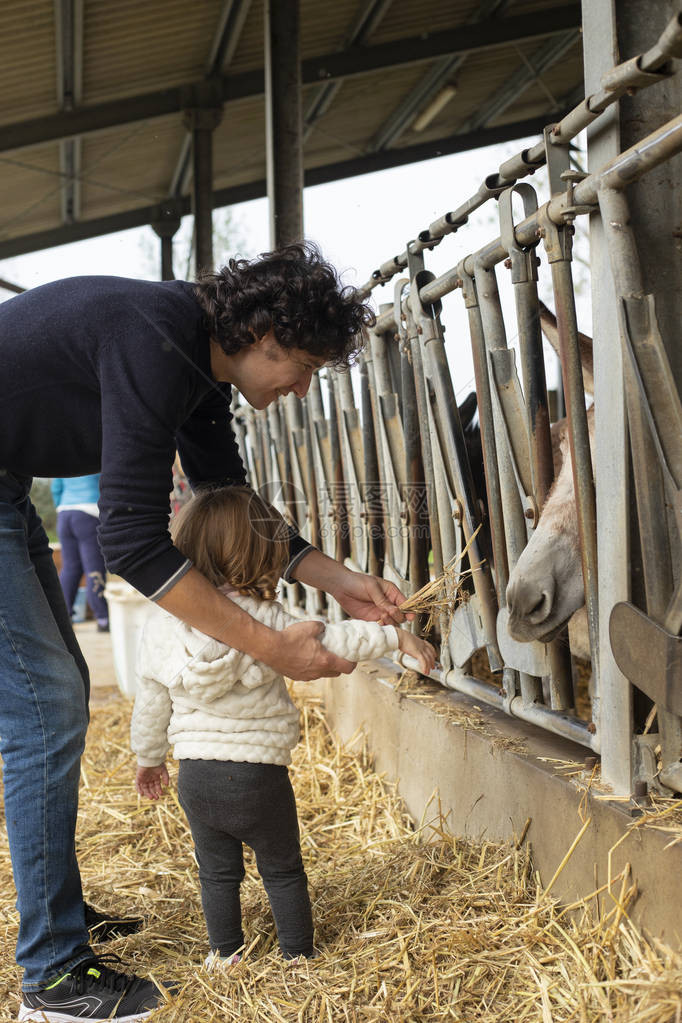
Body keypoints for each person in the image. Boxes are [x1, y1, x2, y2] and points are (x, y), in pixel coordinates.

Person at [0, 242, 414, 1022]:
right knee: (45, 708)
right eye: (303, 366)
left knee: (59, 696)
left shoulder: (191, 357)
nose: (301, 387)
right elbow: (132, 539)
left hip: (6, 481)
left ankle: (58, 917)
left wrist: (341, 581)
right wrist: (271, 645)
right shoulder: (155, 343)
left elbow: (231, 506)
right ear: (265, 336)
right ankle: (52, 979)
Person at [131, 487, 435, 967]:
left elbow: (150, 704)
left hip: (196, 777)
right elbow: (338, 637)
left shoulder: (161, 627)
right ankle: (297, 955)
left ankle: (224, 954)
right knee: (283, 870)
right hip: (257, 776)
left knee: (215, 873)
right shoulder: (267, 622)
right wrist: (394, 635)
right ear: (259, 558)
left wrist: (148, 759)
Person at [52, 474, 109, 631]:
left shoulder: (61, 456)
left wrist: (62, 505)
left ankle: (64, 618)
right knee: (94, 568)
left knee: (70, 568)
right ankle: (103, 618)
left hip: (64, 513)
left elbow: (56, 487)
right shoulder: (97, 450)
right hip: (89, 512)